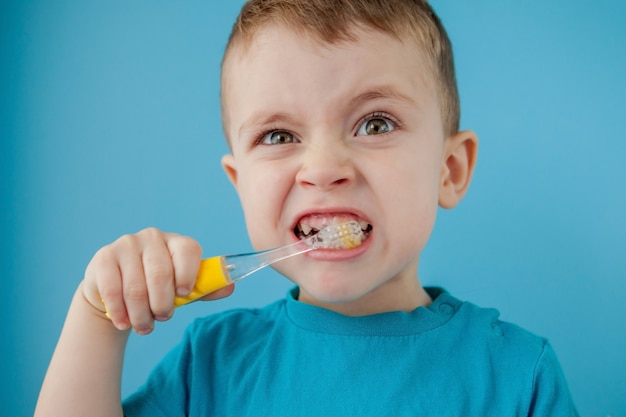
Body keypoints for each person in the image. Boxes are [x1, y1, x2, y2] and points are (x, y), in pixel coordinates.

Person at [35, 0, 580, 415]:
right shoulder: (211, 363)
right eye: (277, 135)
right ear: (239, 183)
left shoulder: (517, 376)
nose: (323, 167)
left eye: (375, 123)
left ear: (450, 169)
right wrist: (100, 315)